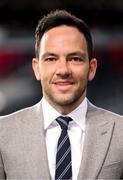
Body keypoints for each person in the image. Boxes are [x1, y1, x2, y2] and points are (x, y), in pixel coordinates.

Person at [0, 9, 123, 180]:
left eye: (75, 58)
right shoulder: (3, 133)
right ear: (37, 68)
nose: (63, 70)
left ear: (92, 68)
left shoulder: (120, 132)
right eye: (51, 58)